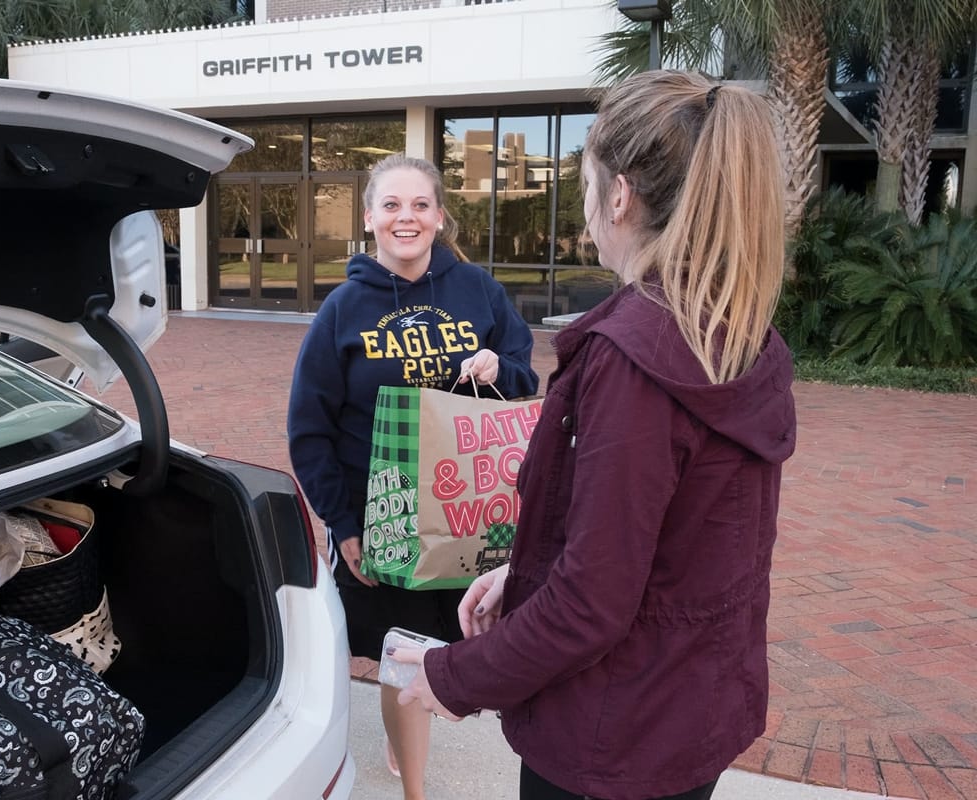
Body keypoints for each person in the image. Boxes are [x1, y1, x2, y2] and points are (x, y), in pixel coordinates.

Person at [392, 71, 797, 800]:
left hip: (611, 735)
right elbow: (656, 547)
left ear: (621, 195)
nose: (584, 215)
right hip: (683, 712)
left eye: (586, 185)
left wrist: (452, 678)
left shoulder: (636, 358)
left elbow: (593, 603)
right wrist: (522, 575)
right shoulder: (734, 333)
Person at [287, 153, 539, 800]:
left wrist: (496, 367)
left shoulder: (478, 290)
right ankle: (416, 787)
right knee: (402, 655)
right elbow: (308, 430)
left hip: (468, 516)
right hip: (386, 521)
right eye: (392, 205)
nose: (407, 217)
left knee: (455, 647)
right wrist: (344, 527)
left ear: (439, 216)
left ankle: (412, 744)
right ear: (369, 218)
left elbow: (523, 375)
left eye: (421, 205)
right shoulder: (342, 310)